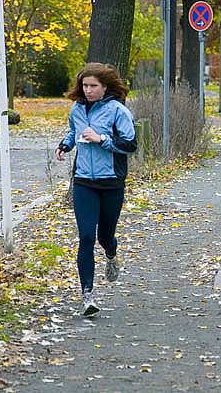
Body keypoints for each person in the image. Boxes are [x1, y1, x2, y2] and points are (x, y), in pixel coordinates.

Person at [55, 62, 137, 316]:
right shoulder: (77, 110)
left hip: (111, 182)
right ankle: (87, 296)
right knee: (87, 237)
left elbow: (131, 144)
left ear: (105, 88)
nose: (88, 90)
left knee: (104, 237)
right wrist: (65, 144)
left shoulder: (117, 111)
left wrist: (102, 140)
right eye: (85, 85)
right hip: (84, 182)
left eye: (94, 86)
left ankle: (111, 254)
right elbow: (73, 132)